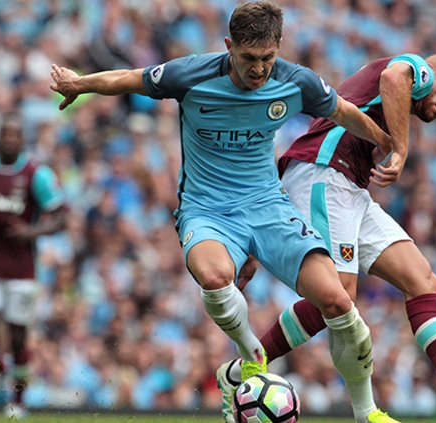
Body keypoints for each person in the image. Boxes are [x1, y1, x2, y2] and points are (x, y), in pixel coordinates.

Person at [50, 2, 402, 423]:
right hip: (207, 210)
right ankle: (251, 356)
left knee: (339, 303)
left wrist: (390, 144)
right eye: (249, 58)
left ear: (278, 47)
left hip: (268, 207)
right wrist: (80, 84)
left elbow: (344, 112)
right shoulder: (191, 74)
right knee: (215, 277)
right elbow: (128, 78)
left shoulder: (296, 82)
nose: (259, 69)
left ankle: (366, 412)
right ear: (228, 46)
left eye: (267, 58)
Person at [218, 53, 436, 423]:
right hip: (323, 173)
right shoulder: (411, 66)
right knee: (338, 296)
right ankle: (259, 376)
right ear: (431, 72)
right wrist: (401, 148)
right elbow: (395, 77)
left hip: (350, 187)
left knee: (421, 279)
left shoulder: (388, 102)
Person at [0, 112, 67, 419]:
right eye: (5, 134)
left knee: (18, 335)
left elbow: (61, 216)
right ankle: (0, 372)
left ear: (22, 139)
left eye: (15, 135)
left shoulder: (36, 174)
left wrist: (31, 232)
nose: (10, 140)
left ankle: (19, 400)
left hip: (22, 268)